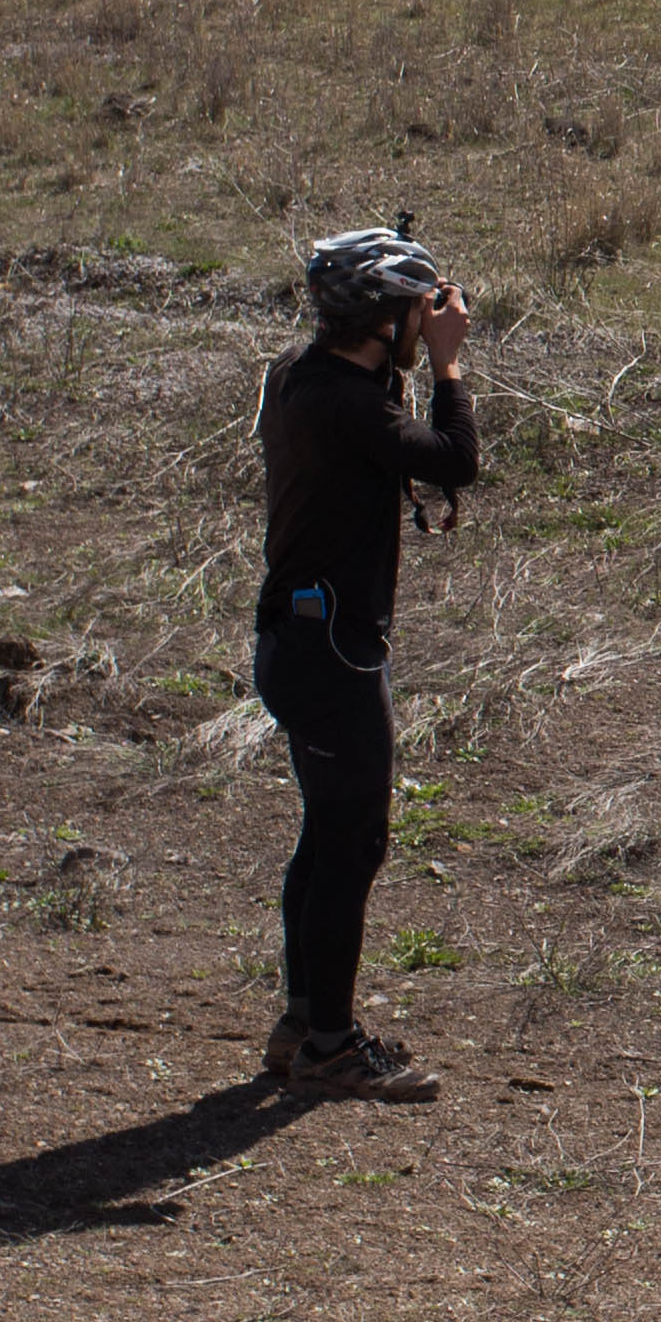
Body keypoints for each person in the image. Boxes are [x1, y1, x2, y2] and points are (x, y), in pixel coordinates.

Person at [251, 226, 481, 1104]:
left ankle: (303, 1024)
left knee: (326, 836)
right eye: (416, 306)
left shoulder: (300, 376)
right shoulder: (352, 404)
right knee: (353, 846)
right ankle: (331, 1049)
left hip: (297, 641)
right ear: (384, 320)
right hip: (334, 655)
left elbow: (376, 409)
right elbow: (455, 460)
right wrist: (448, 365)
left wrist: (402, 343)